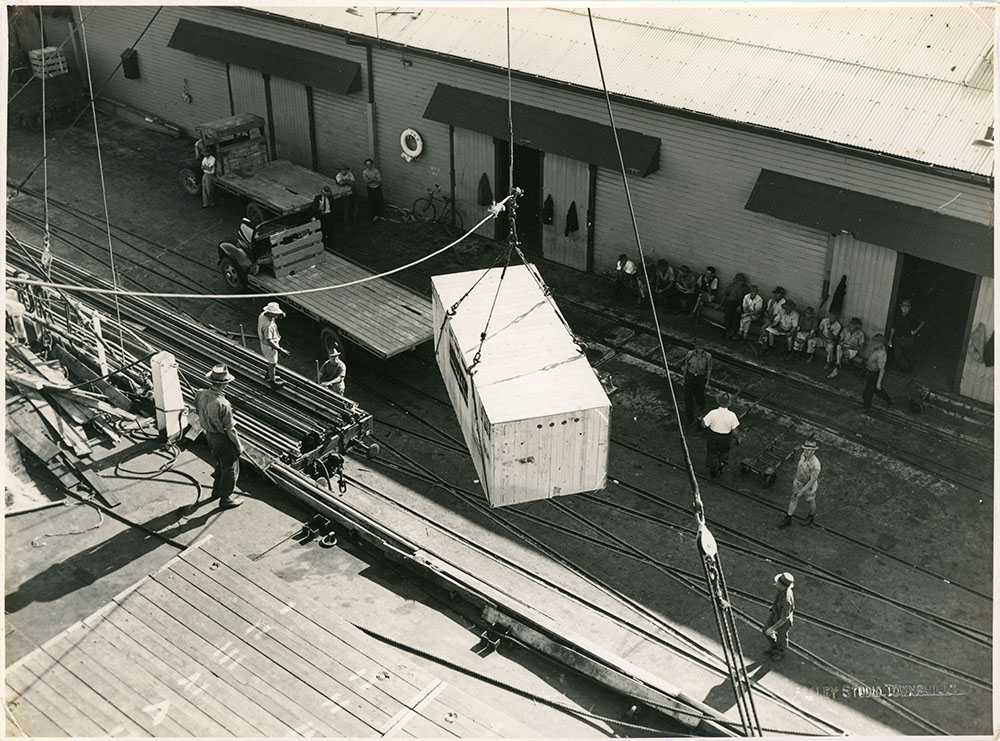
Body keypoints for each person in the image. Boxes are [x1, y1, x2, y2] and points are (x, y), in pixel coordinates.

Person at [193, 364, 245, 509]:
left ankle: (216, 491)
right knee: (230, 468)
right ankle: (226, 498)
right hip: (222, 439)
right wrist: (239, 445)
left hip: (209, 436)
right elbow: (231, 430)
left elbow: (197, 409)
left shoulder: (200, 393)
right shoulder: (223, 404)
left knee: (219, 463)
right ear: (226, 384)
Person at [779, 440, 820, 527]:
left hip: (809, 486)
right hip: (798, 482)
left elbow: (813, 480)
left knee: (810, 501)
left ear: (813, 451)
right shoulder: (803, 456)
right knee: (794, 498)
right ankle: (788, 518)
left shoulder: (816, 465)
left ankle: (811, 516)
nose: (806, 451)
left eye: (809, 450)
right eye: (805, 449)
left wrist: (802, 491)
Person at [701, 392, 741, 478]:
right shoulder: (732, 415)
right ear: (728, 403)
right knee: (724, 452)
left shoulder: (713, 413)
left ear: (719, 402)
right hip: (725, 438)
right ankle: (720, 467)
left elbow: (704, 424)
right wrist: (738, 439)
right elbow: (735, 431)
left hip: (713, 436)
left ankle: (712, 470)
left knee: (712, 452)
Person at [762, 572, 795, 661]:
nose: (776, 584)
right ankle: (774, 645)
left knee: (781, 637)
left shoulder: (786, 600)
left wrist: (772, 628)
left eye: (778, 583)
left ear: (783, 586)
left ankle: (779, 651)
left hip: (783, 620)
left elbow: (784, 618)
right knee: (765, 630)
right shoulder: (781, 590)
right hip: (775, 613)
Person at [257, 301, 290, 388]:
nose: (276, 316)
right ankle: (273, 381)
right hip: (270, 346)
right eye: (275, 314)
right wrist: (280, 350)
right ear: (270, 313)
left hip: (266, 343)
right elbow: (269, 341)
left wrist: (280, 315)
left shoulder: (263, 315)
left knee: (271, 362)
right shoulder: (267, 326)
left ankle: (269, 375)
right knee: (273, 363)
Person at [888, 299, 925, 374]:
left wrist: (915, 331)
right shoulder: (897, 316)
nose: (905, 308)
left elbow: (922, 322)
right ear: (901, 307)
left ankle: (906, 370)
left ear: (909, 308)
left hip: (908, 339)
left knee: (907, 356)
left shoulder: (912, 316)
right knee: (898, 356)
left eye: (907, 306)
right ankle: (907, 368)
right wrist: (890, 339)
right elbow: (893, 328)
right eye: (903, 306)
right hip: (898, 339)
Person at [682, 340, 712, 426]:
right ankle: (689, 417)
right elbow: (686, 365)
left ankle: (700, 410)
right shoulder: (690, 354)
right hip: (690, 376)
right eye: (698, 347)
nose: (699, 349)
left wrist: (707, 381)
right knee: (688, 397)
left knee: (699, 395)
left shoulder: (708, 356)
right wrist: (684, 377)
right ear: (695, 347)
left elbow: (709, 368)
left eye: (701, 348)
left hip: (700, 377)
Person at [862, 333, 893, 410]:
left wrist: (879, 382)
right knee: (877, 390)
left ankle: (867, 407)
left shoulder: (881, 353)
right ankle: (889, 401)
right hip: (870, 371)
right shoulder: (876, 348)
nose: (872, 343)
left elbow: (882, 370)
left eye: (874, 342)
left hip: (874, 374)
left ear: (879, 343)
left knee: (867, 393)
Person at [720, 273, 749, 339]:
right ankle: (727, 330)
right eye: (740, 280)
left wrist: (740, 306)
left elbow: (746, 300)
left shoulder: (745, 288)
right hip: (730, 302)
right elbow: (725, 295)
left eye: (743, 281)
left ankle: (733, 331)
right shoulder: (731, 286)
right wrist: (721, 304)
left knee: (736, 317)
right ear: (736, 281)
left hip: (738, 304)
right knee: (728, 315)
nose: (742, 282)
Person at [6, 274, 29, 345]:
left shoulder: (16, 291)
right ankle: (23, 340)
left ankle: (23, 340)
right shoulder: (12, 292)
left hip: (13, 313)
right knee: (17, 323)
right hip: (12, 313)